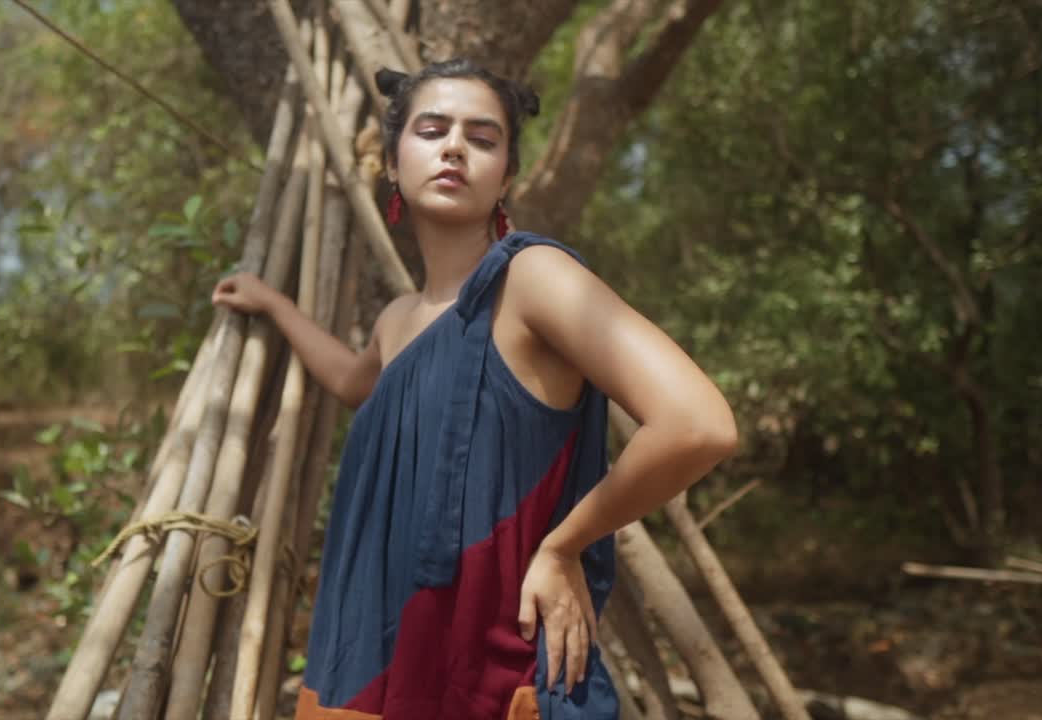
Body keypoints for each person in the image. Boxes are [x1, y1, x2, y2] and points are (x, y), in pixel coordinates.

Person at [211, 58, 737, 720]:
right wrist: (274, 305)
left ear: (506, 177)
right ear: (393, 164)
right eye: (432, 130)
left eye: (483, 138)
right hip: (369, 654)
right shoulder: (398, 319)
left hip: (488, 667)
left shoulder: (529, 280)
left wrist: (565, 544)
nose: (455, 146)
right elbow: (353, 382)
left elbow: (698, 423)